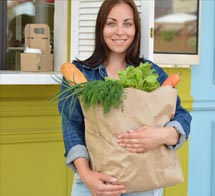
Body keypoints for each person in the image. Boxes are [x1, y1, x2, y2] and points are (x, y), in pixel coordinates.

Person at [58, 0, 192, 196]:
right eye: (111, 23)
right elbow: (72, 126)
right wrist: (87, 176)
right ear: (100, 28)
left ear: (136, 30)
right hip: (96, 183)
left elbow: (182, 116)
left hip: (144, 181)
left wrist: (160, 135)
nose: (120, 31)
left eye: (127, 24)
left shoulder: (151, 73)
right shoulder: (80, 73)